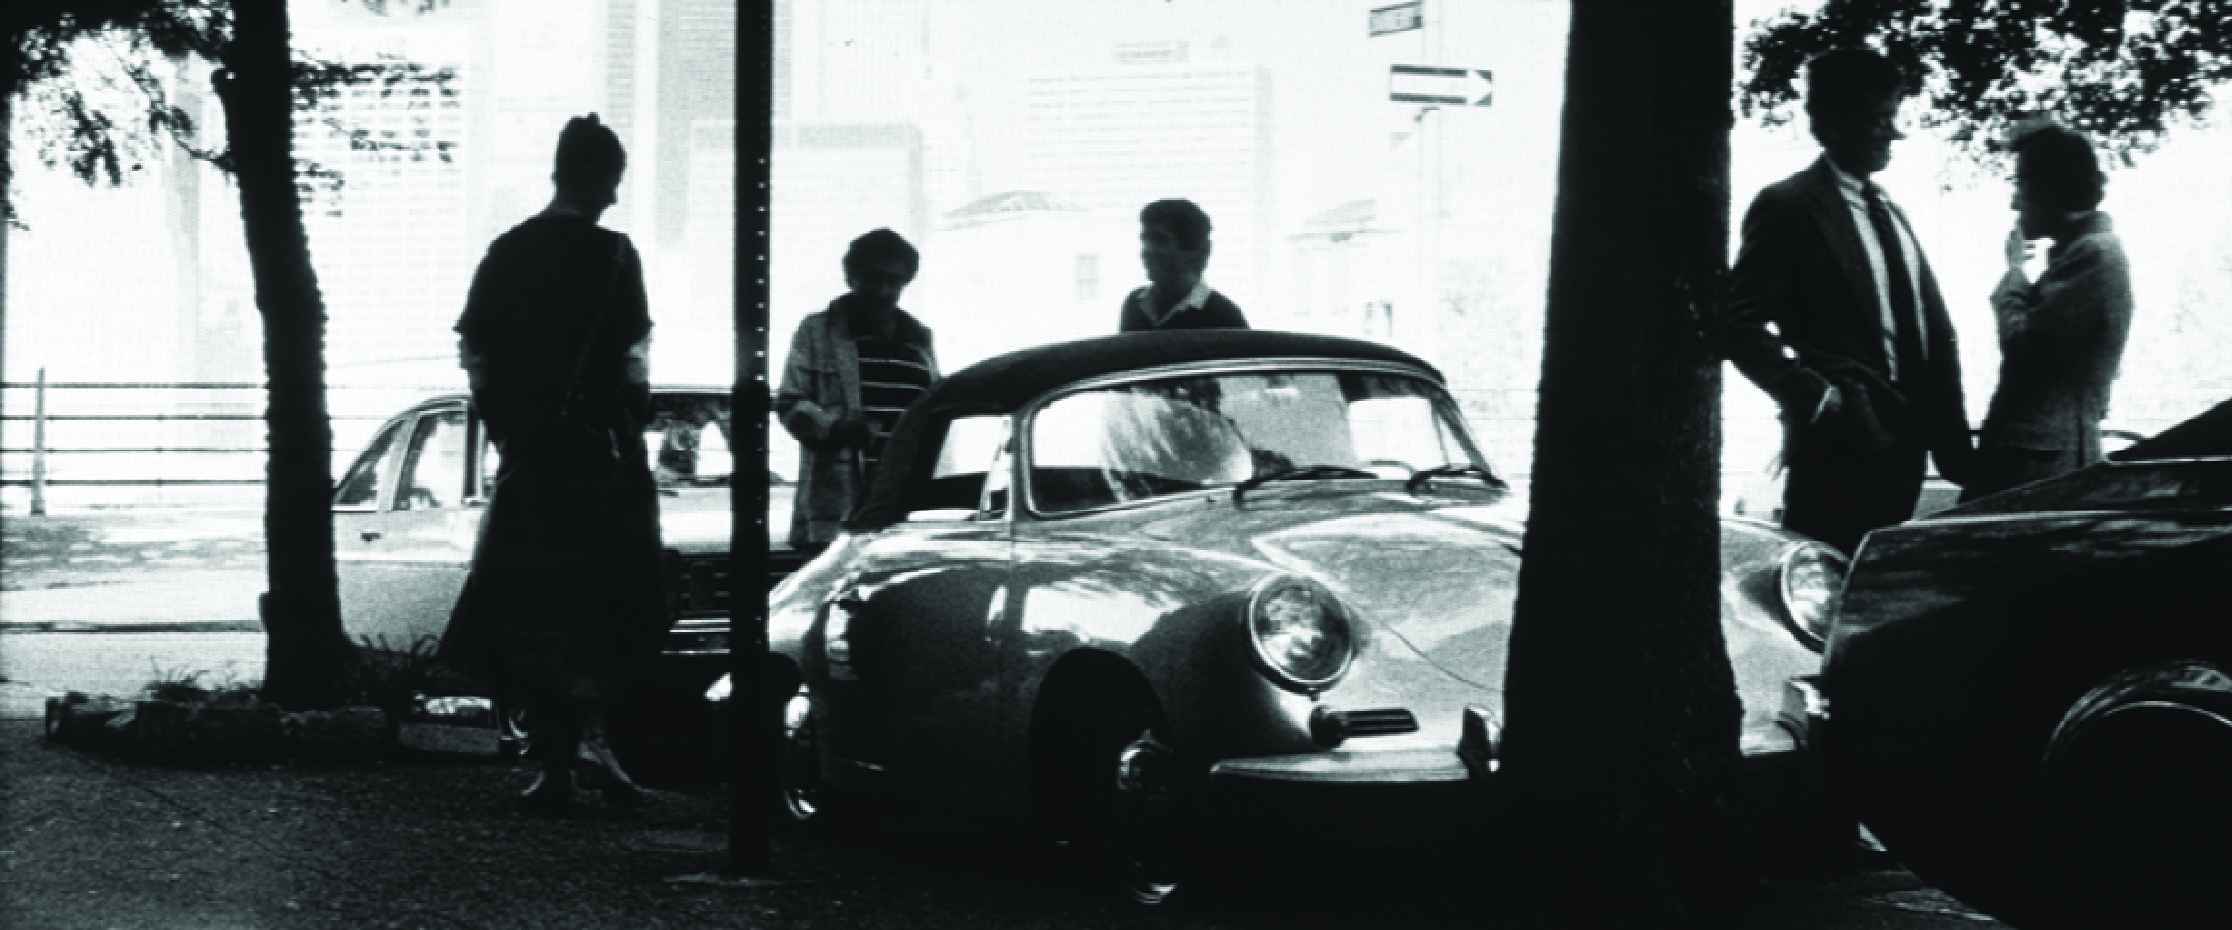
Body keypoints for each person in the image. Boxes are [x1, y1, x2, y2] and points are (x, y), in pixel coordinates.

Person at [441, 114, 668, 812]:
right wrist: (626, 430)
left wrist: (511, 430)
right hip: (601, 461)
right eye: (614, 181)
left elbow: (476, 355)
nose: (615, 196)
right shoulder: (616, 255)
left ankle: (554, 762)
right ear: (593, 176)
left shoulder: (506, 252)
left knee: (526, 600)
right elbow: (633, 360)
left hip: (531, 461)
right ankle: (594, 739)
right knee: (608, 596)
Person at [1720, 47, 1974, 555]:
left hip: (1906, 456)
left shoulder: (1893, 213)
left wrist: (1953, 444)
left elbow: (1932, 334)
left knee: (1876, 592)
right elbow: (1737, 323)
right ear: (1834, 125)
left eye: (1894, 117)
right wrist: (1818, 399)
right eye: (1879, 119)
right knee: (1828, 588)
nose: (1894, 134)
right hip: (1834, 458)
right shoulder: (1787, 207)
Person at [1962, 123, 2133, 501]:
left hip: (2043, 461)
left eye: (2020, 185)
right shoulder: (2084, 253)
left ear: (2050, 188)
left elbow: (2024, 344)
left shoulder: (2095, 255)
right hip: (2043, 456)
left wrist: (2013, 274)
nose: (2015, 204)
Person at [776, 228, 939, 552]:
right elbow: (790, 404)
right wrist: (835, 428)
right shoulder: (816, 331)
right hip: (840, 504)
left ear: (906, 281)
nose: (882, 290)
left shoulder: (919, 339)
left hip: (903, 503)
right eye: (872, 278)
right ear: (851, 278)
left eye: (894, 280)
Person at [1118, 198, 1249, 332]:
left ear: (1192, 251)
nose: (1147, 252)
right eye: (1145, 241)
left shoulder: (1226, 317)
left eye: (1159, 240)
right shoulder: (1135, 306)